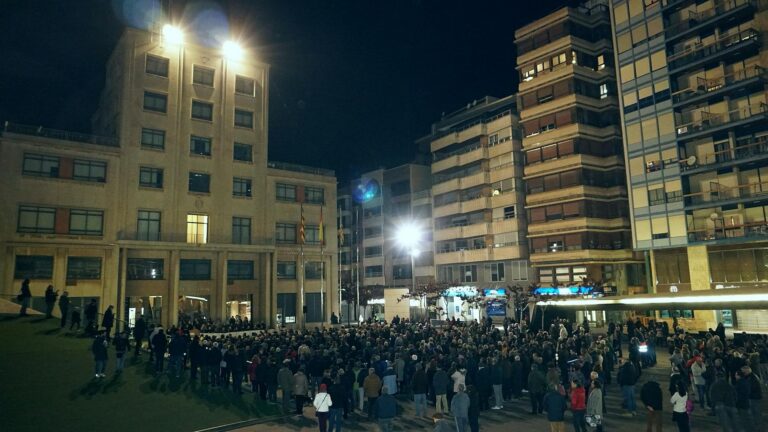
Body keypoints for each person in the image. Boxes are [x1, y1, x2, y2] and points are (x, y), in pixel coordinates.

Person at [741, 365, 763, 432]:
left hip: (754, 398)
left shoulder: (751, 378)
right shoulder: (752, 376)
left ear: (747, 371)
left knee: (756, 413)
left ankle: (758, 428)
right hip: (755, 397)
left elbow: (750, 389)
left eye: (743, 372)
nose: (742, 374)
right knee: (755, 413)